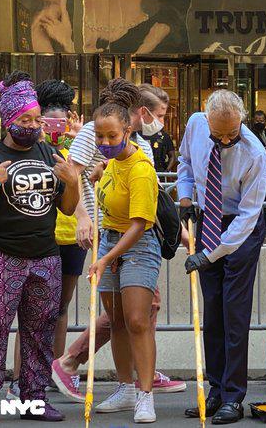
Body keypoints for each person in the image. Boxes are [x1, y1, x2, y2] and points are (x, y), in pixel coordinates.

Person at [51, 79, 184, 403]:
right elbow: (72, 173)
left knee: (140, 311)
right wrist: (82, 217)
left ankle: (141, 377)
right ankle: (77, 362)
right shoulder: (94, 131)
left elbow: (145, 192)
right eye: (149, 113)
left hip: (130, 232)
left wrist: (173, 224)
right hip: (106, 229)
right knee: (134, 312)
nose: (150, 119)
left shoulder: (136, 144)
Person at [0, 71, 80, 422]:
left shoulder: (50, 152)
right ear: (9, 120)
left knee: (39, 331)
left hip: (46, 257)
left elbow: (68, 208)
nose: (31, 125)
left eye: (35, 118)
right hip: (2, 256)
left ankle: (33, 400)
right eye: (24, 119)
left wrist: (72, 182)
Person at [179, 90, 266, 425]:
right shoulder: (195, 125)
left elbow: (248, 216)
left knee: (234, 312)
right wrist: (186, 197)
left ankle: (233, 396)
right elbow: (186, 162)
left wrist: (208, 255)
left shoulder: (254, 153)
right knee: (212, 310)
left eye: (232, 132)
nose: (226, 139)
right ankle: (214, 390)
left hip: (241, 227)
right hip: (208, 217)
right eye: (219, 134)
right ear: (207, 120)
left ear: (241, 120)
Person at [88, 79, 161, 424]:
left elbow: (139, 225)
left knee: (136, 320)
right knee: (116, 320)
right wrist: (97, 174)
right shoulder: (112, 164)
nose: (104, 143)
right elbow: (108, 183)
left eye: (111, 137)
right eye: (100, 137)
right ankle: (125, 387)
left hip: (137, 245)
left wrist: (106, 256)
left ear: (128, 130)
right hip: (110, 242)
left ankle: (145, 395)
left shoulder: (141, 169)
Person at [140, 83, 177, 172]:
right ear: (144, 111)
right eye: (159, 116)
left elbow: (172, 156)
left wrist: (166, 170)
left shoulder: (164, 136)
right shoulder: (125, 138)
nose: (162, 122)